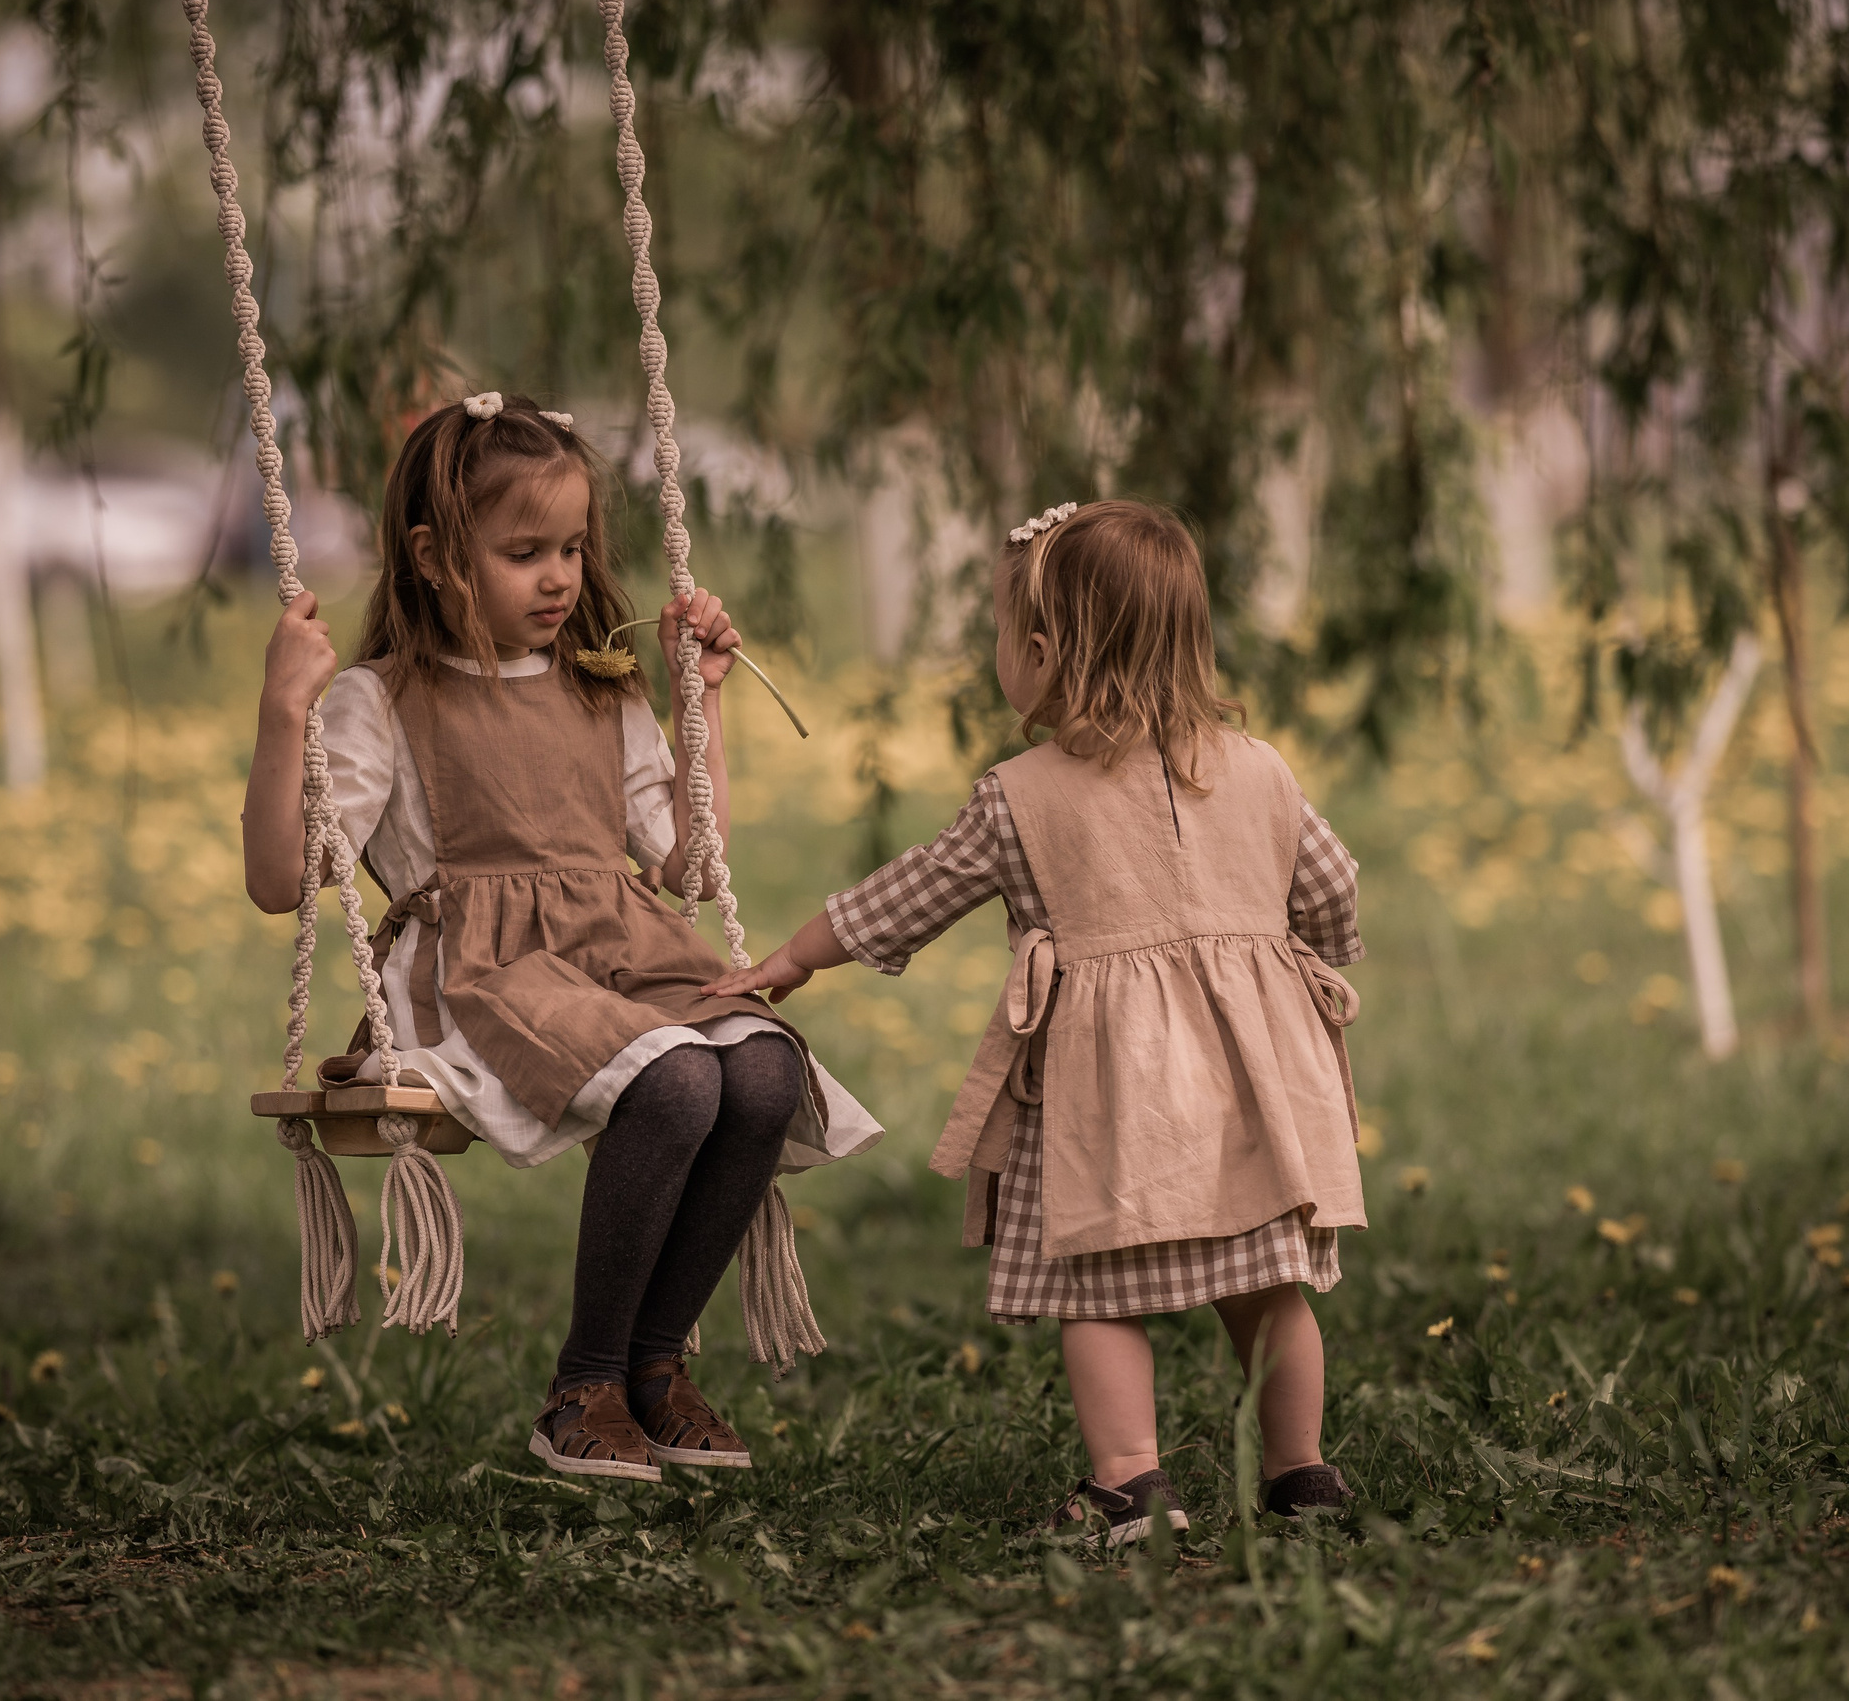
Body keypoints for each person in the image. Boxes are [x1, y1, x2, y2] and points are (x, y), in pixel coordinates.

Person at [241, 392, 880, 1484]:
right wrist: (281, 715)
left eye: (574, 549)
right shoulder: (380, 699)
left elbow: (688, 861)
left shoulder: (602, 692)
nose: (559, 578)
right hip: (483, 972)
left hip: (622, 950)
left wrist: (700, 704)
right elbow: (277, 879)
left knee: (766, 1070)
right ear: (437, 557)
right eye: (523, 551)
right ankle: (583, 1385)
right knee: (678, 1083)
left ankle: (651, 1369)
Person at [705, 498, 1366, 1543]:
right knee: (1268, 1283)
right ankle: (1300, 1474)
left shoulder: (1022, 796)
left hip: (1115, 1107)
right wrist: (1282, 965)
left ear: (1046, 649)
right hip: (1253, 1088)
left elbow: (913, 891)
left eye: (1005, 633)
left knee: (1099, 1289)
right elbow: (1331, 889)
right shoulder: (1262, 770)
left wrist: (794, 955)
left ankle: (1129, 1483)